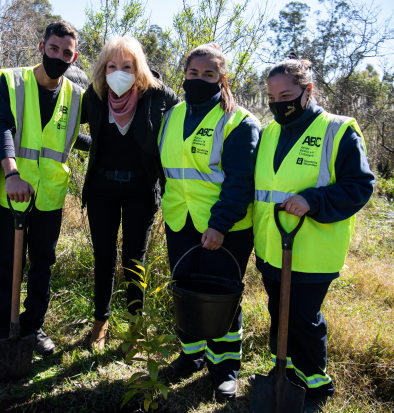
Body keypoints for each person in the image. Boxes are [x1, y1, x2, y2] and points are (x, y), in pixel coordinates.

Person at [253, 57, 375, 412]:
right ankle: (288, 375)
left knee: (303, 317)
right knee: (279, 311)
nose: (278, 103)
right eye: (272, 97)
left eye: (286, 94)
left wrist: (313, 199)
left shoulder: (338, 130)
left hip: (313, 248)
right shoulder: (270, 132)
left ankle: (317, 384)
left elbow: (360, 186)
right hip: (273, 244)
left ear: (308, 91)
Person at [157, 43, 260, 401]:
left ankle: (225, 368)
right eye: (193, 73)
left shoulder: (239, 121)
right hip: (180, 220)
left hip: (224, 228)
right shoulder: (172, 115)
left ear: (222, 78)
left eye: (209, 74)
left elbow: (240, 181)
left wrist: (219, 225)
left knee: (221, 298)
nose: (199, 79)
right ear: (184, 74)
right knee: (185, 291)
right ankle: (191, 356)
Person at [0, 20, 90, 356]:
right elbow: (3, 127)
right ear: (41, 46)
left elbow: (73, 135)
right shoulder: (13, 81)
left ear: (74, 57)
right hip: (14, 189)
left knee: (42, 263)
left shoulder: (76, 96)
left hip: (50, 194)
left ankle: (33, 326)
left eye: (67, 53)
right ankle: (4, 326)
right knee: (8, 261)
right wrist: (12, 174)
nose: (59, 56)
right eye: (54, 49)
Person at [80, 36, 180, 351]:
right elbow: (66, 126)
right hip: (102, 190)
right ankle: (101, 322)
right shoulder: (95, 96)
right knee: (104, 258)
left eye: (127, 65)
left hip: (141, 188)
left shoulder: (158, 96)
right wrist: (90, 146)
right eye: (112, 65)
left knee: (134, 259)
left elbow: (185, 122)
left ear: (139, 68)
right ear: (103, 68)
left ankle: (135, 324)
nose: (119, 71)